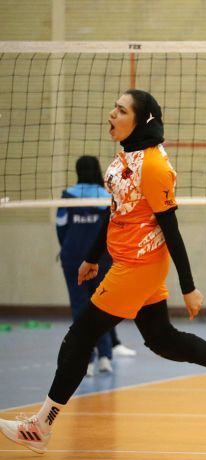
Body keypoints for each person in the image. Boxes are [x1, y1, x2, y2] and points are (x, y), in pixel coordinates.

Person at [0, 89, 206, 454]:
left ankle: (40, 427)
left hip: (137, 267)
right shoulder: (126, 155)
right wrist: (92, 256)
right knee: (162, 339)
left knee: (79, 338)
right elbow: (116, 210)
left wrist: (188, 286)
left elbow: (171, 228)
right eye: (114, 107)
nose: (111, 114)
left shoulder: (154, 166)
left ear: (140, 121)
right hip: (130, 262)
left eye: (121, 110)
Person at [56, 156, 115, 376]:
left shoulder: (67, 196)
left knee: (80, 309)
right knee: (103, 307)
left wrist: (69, 250)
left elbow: (61, 227)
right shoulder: (108, 196)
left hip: (73, 259)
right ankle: (105, 357)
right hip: (102, 260)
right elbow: (114, 228)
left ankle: (86, 360)